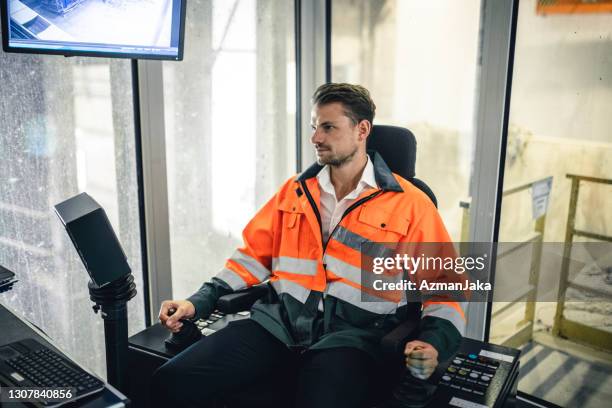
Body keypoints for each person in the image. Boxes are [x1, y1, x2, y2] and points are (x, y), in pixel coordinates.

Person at [152, 83, 465, 408]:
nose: (316, 138)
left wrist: (432, 342)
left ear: (362, 130)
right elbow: (251, 258)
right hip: (279, 325)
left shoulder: (410, 205)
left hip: (352, 339)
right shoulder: (295, 191)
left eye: (328, 127)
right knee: (171, 381)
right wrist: (198, 302)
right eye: (315, 127)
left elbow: (445, 288)